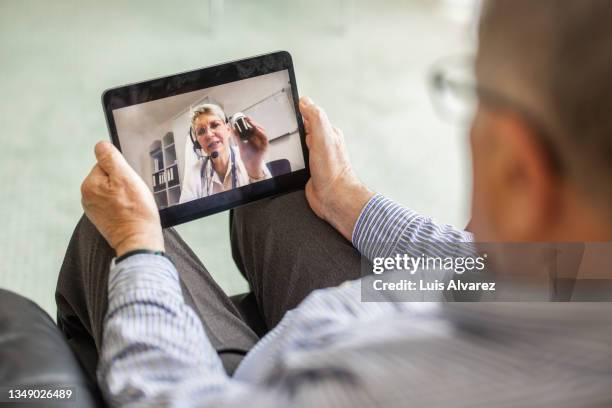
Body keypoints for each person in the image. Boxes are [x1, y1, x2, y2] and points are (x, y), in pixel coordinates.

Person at [56, 0, 612, 406]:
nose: (206, 140)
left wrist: (139, 249)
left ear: (519, 172)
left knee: (102, 234)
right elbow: (479, 262)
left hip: (250, 383)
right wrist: (347, 198)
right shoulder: (581, 270)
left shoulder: (388, 387)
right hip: (383, 304)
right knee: (280, 196)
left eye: (478, 93)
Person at [179, 103, 271, 202]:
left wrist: (255, 170)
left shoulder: (249, 155)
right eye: (201, 131)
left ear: (228, 130)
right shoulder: (194, 172)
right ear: (198, 143)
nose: (209, 135)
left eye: (215, 125)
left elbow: (270, 201)